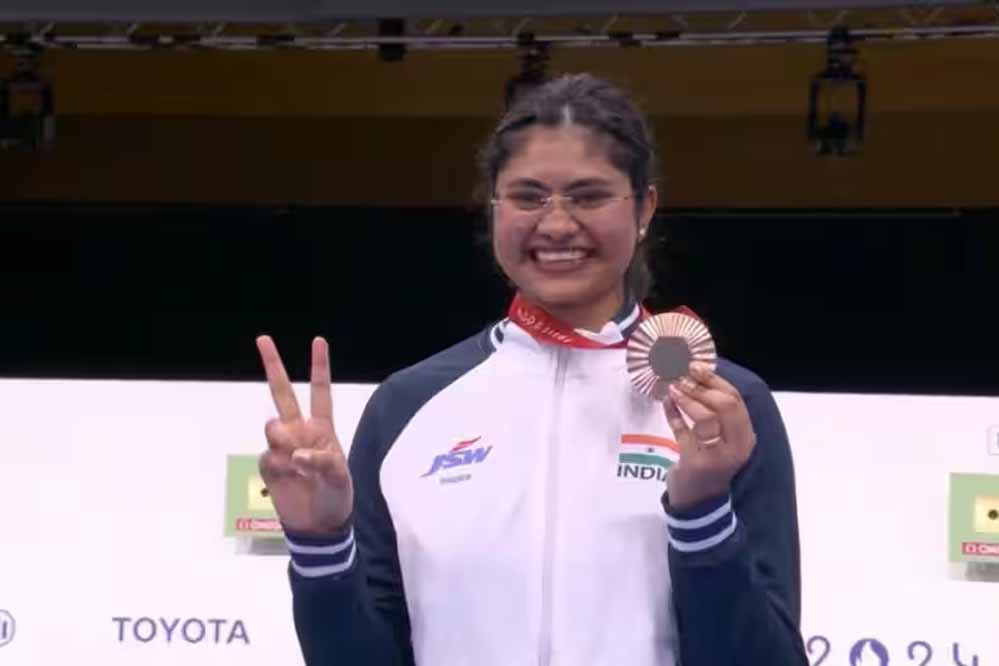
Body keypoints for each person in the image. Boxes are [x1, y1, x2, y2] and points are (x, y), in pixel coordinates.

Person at [256, 73, 807, 666]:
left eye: (589, 196)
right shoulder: (406, 405)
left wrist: (703, 510)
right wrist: (320, 546)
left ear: (645, 207)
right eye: (527, 197)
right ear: (493, 209)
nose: (557, 224)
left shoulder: (721, 407)